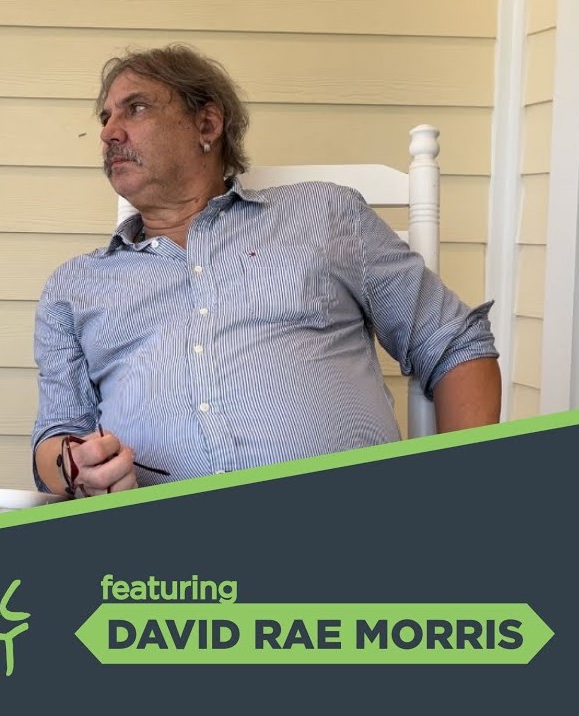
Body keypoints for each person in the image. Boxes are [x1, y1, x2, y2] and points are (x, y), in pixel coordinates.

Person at [32, 44, 499, 498]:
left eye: (135, 108)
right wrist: (77, 468)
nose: (109, 133)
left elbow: (455, 343)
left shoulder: (324, 215)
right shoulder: (75, 286)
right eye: (106, 118)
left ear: (207, 124)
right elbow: (56, 436)